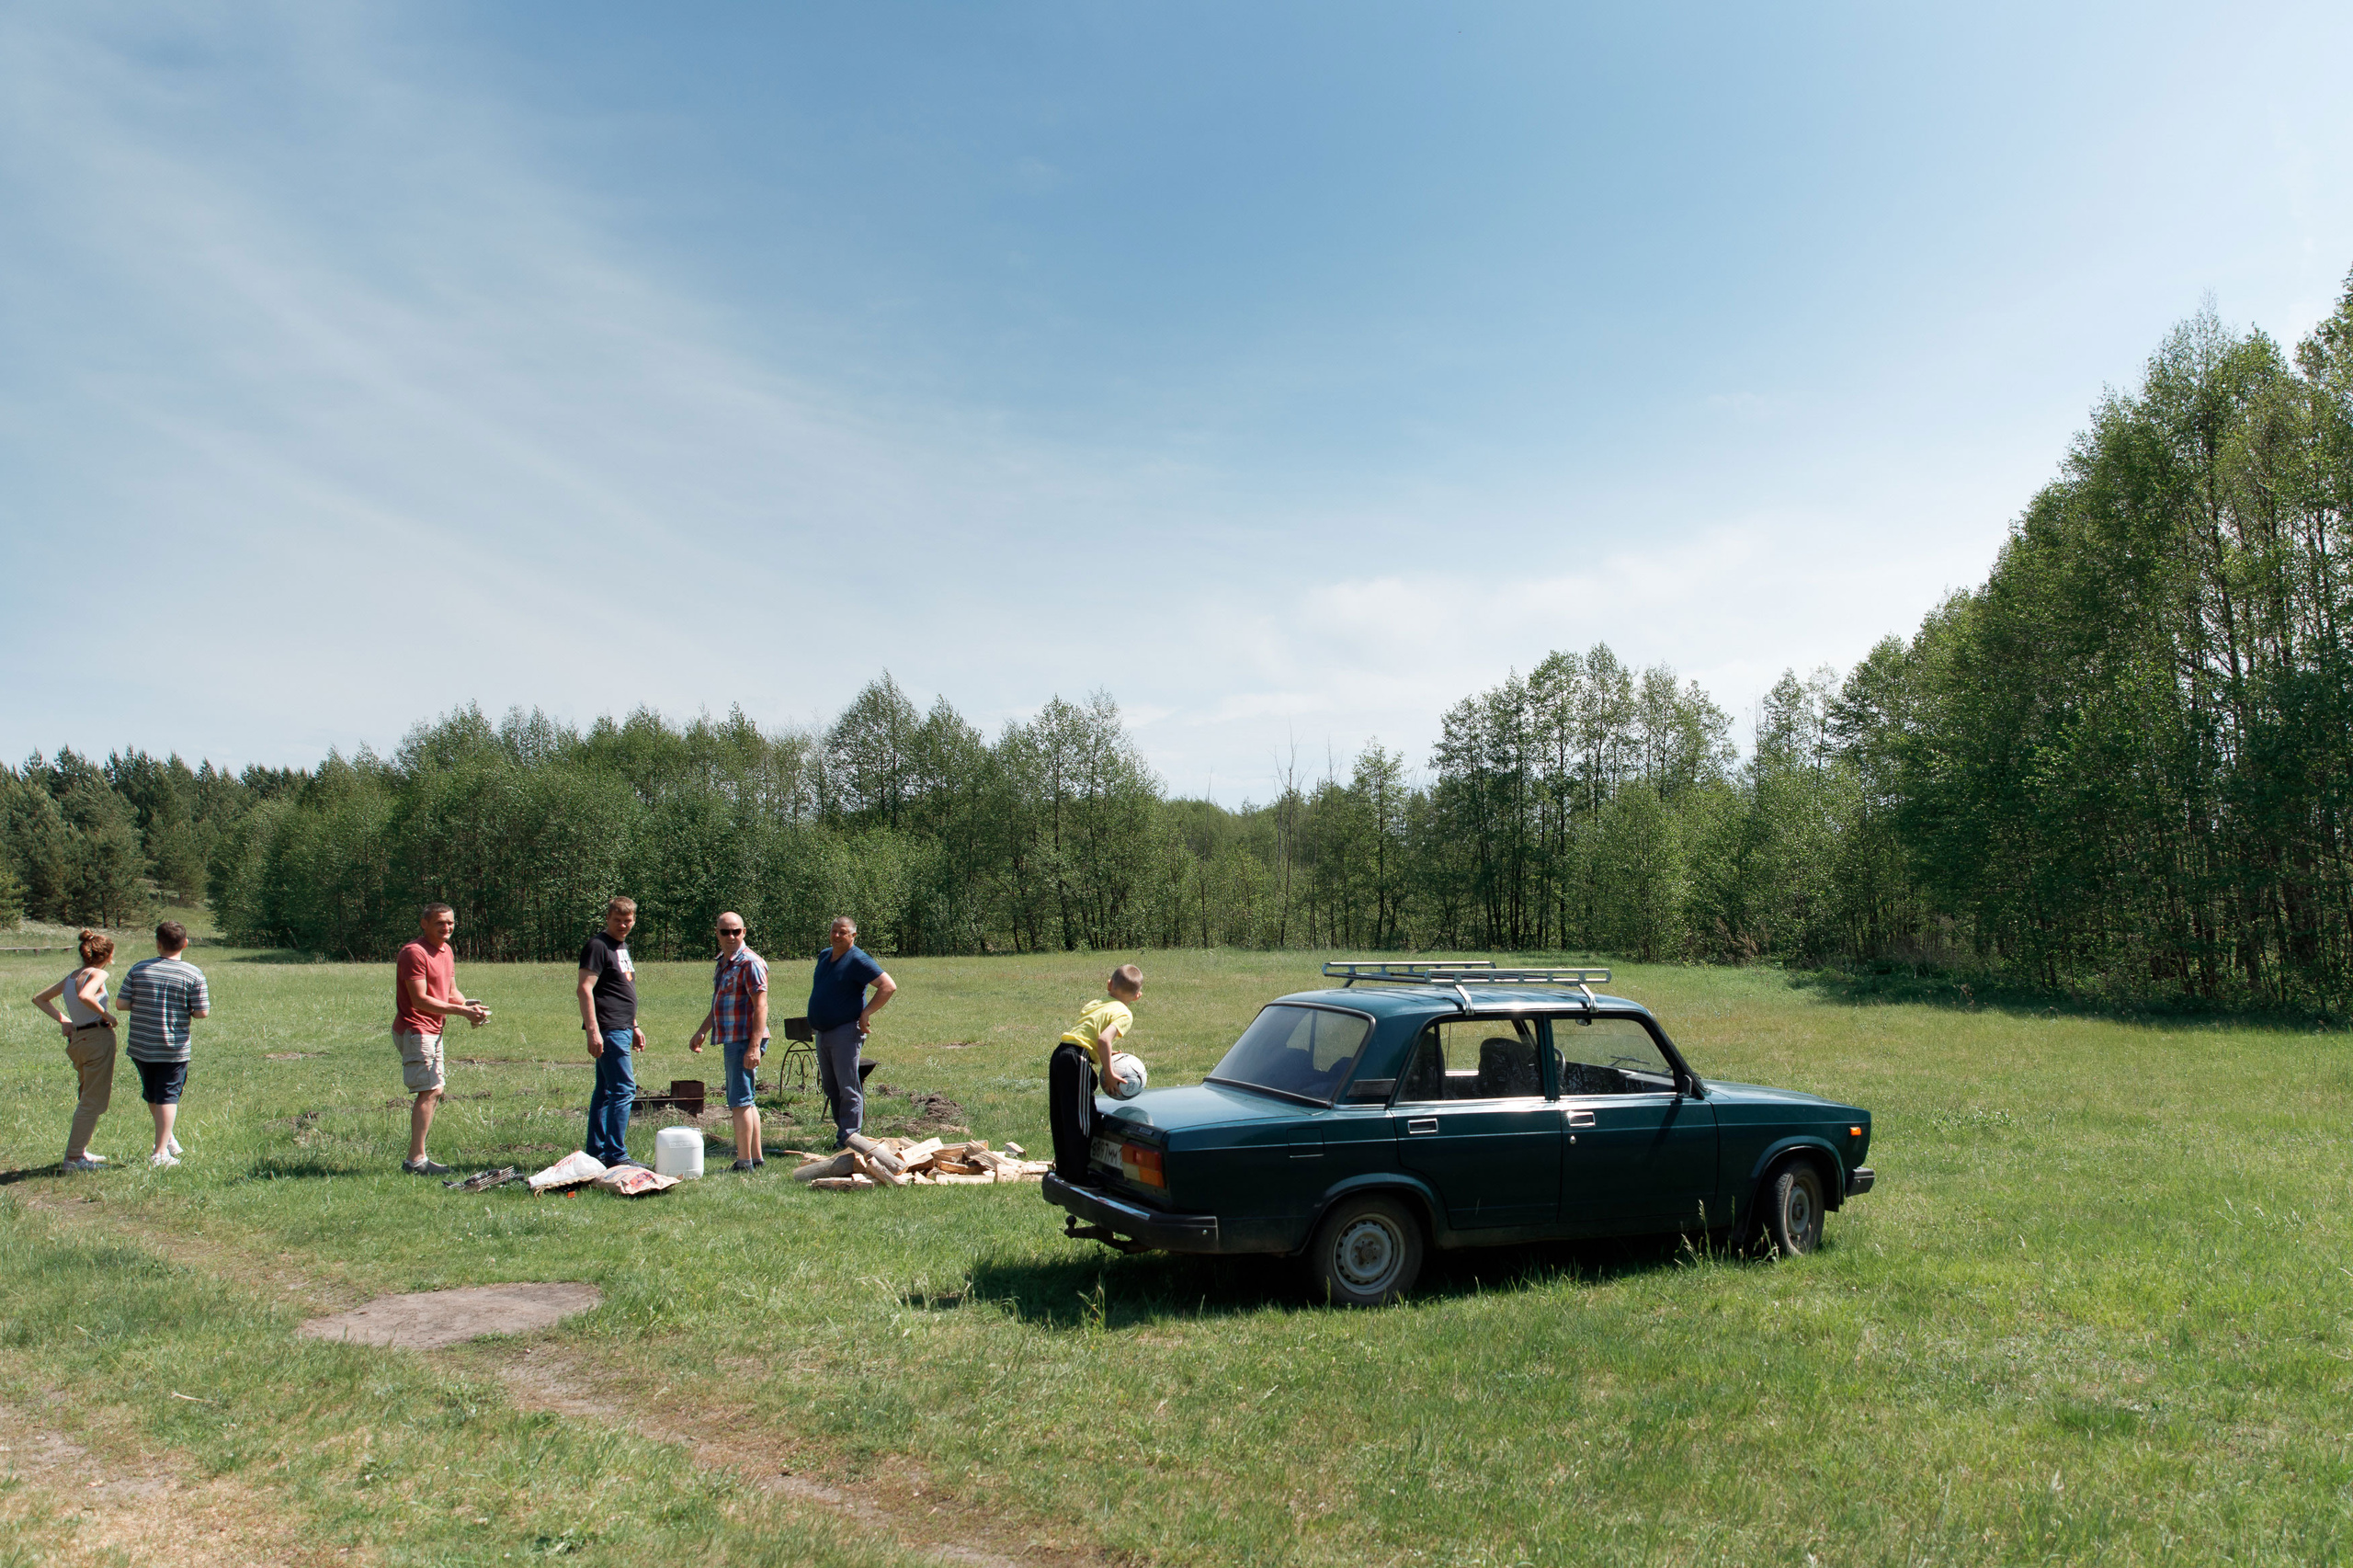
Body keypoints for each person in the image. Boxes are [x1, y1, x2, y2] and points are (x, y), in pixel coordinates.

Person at [392, 903, 488, 1176]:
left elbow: (451, 992)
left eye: (450, 923)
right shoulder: (414, 952)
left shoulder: (446, 950)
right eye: (440, 923)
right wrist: (462, 1012)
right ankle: (415, 1161)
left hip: (433, 1030)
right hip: (416, 1029)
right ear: (424, 924)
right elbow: (420, 1000)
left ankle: (417, 1159)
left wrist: (470, 1007)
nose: (447, 927)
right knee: (430, 1090)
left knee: (434, 1089)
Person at [116, 921, 210, 1169]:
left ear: (158, 944)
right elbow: (202, 1012)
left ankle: (167, 1139)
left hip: (141, 1044)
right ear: (185, 943)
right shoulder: (193, 973)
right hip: (173, 1047)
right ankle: (160, 1154)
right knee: (168, 1095)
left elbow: (121, 1004)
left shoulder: (139, 969)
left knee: (152, 1093)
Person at [31, 929, 121, 1171]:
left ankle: (79, 1150)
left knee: (86, 1095)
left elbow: (39, 998)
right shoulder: (99, 973)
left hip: (78, 1040)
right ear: (108, 954)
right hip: (96, 1038)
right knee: (92, 1100)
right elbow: (85, 995)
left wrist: (64, 1020)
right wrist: (107, 1015)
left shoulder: (72, 976)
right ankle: (73, 1159)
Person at [806, 915, 895, 1151]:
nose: (837, 935)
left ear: (853, 935)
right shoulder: (825, 956)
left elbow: (888, 986)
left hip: (845, 1031)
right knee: (831, 1087)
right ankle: (843, 1136)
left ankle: (851, 1140)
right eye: (834, 931)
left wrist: (866, 1013)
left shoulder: (858, 959)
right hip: (823, 1031)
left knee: (848, 1087)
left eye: (843, 932)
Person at [688, 912, 768, 1171]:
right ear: (717, 933)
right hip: (734, 1037)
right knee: (746, 1100)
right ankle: (755, 1158)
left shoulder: (750, 963)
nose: (731, 936)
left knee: (739, 1101)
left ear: (744, 932)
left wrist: (754, 1046)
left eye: (736, 931)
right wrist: (702, 1030)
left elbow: (761, 1006)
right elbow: (721, 1003)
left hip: (745, 1038)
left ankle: (744, 1162)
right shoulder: (724, 962)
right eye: (725, 932)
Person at [1051, 963, 1143, 1185]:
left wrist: (1107, 1053)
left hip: (1060, 1054)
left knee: (1062, 1116)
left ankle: (1063, 1169)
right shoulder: (1124, 1013)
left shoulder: (1097, 1002)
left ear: (1109, 984)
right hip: (1078, 1060)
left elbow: (1091, 1033)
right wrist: (1109, 1074)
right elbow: (1103, 1040)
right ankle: (1079, 1176)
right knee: (1082, 1120)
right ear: (1137, 996)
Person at [577, 896, 644, 1169]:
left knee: (605, 1091)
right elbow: (584, 988)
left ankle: (596, 1152)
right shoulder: (598, 946)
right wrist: (593, 1031)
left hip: (623, 1026)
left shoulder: (621, 946)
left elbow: (620, 989)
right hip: (609, 1027)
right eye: (617, 920)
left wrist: (635, 1025)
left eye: (628, 920)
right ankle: (616, 1154)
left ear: (634, 920)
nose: (623, 925)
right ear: (607, 918)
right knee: (624, 1090)